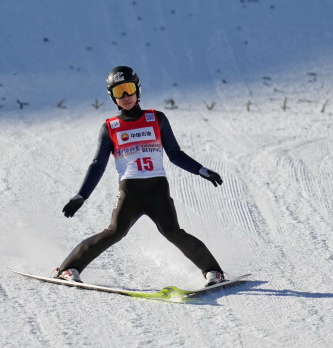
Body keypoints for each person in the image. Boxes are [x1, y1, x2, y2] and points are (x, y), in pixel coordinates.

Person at [52, 66, 226, 287]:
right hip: (130, 192)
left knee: (173, 232)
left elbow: (175, 154)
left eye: (129, 89)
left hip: (157, 190)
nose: (125, 96)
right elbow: (98, 165)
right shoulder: (110, 127)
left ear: (138, 90)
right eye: (119, 92)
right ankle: (68, 268)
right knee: (115, 232)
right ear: (112, 96)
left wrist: (201, 170)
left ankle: (214, 272)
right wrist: (81, 196)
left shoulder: (157, 119)